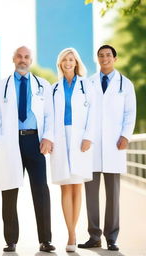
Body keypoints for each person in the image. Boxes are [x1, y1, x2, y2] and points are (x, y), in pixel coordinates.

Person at [0, 46, 55, 253]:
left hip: (35, 141)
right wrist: (1, 142)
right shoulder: (1, 87)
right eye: (19, 56)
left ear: (31, 60)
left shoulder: (42, 85)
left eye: (26, 57)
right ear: (13, 58)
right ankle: (10, 240)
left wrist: (47, 137)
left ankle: (45, 240)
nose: (23, 60)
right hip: (11, 143)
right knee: (9, 191)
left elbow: (49, 115)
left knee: (41, 191)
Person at [78, 45, 136, 251]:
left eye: (108, 55)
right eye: (101, 56)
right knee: (91, 195)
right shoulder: (88, 83)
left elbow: (130, 113)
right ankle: (94, 236)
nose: (105, 58)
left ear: (115, 58)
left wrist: (125, 135)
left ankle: (112, 237)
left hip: (114, 145)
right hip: (92, 147)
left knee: (113, 195)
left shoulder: (125, 84)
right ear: (97, 59)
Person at [50, 48, 95, 252]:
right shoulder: (54, 88)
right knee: (65, 187)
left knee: (77, 185)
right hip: (60, 139)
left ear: (76, 63)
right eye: (65, 60)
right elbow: (48, 117)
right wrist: (49, 139)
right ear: (60, 64)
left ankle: (73, 232)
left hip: (80, 139)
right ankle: (70, 233)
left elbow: (95, 113)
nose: (68, 63)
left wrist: (88, 136)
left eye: (71, 59)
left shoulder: (87, 85)